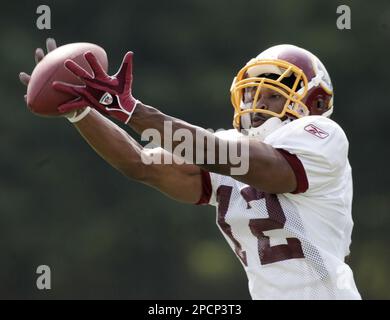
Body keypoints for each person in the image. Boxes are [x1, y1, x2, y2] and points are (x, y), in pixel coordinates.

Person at [20, 38, 361, 300]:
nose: (256, 103)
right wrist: (80, 111)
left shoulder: (321, 136)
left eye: (271, 94)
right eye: (252, 92)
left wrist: (132, 110)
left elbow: (249, 163)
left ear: (314, 103)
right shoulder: (227, 147)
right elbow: (140, 163)